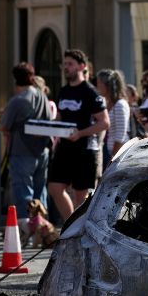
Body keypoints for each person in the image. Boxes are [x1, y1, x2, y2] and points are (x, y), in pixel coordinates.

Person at [47, 50, 108, 222]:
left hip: (84, 150)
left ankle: (80, 232)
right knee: (54, 187)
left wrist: (80, 133)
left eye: (70, 64)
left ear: (82, 67)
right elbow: (59, 117)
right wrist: (46, 127)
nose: (66, 67)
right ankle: (71, 227)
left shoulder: (90, 92)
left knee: (81, 197)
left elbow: (104, 122)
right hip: (64, 148)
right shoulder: (64, 90)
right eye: (64, 64)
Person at [1, 62, 52, 218]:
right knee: (40, 192)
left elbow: (4, 127)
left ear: (15, 79)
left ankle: (27, 228)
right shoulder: (42, 96)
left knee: (23, 193)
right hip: (42, 151)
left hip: (21, 152)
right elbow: (49, 120)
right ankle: (42, 227)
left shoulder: (17, 101)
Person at [95, 68, 129, 161]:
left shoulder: (120, 104)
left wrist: (113, 157)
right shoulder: (105, 102)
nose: (97, 87)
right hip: (107, 150)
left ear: (107, 85)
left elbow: (120, 135)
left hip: (116, 154)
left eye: (99, 83)